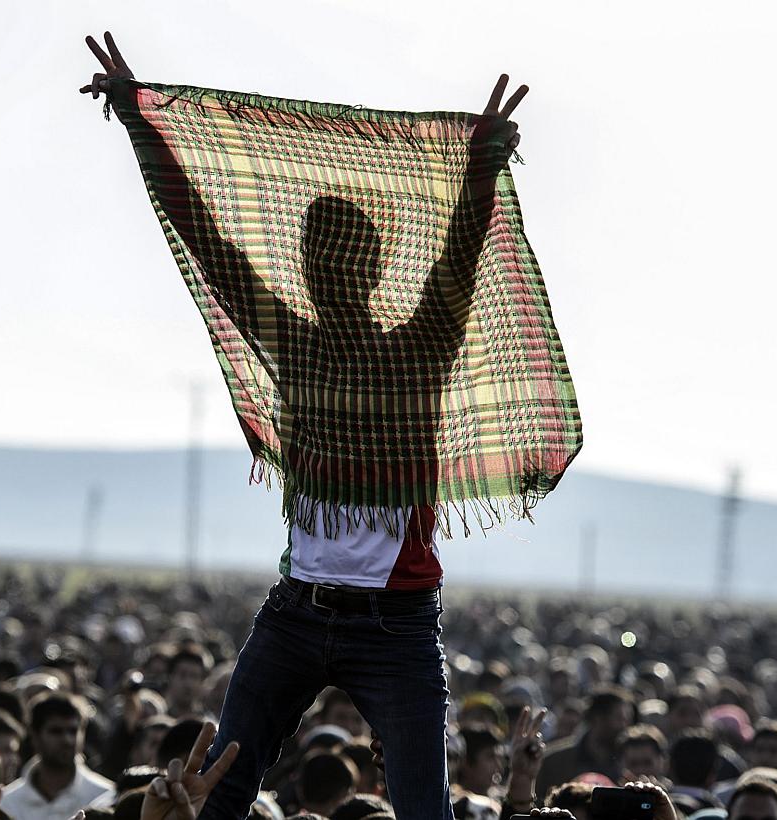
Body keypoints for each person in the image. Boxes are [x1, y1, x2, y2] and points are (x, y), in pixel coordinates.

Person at [80, 30, 530, 820]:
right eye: (315, 256)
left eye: (340, 256)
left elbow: (459, 262)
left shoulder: (419, 351)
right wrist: (139, 120)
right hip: (295, 611)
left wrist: (483, 165)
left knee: (426, 809)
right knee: (217, 796)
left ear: (370, 267)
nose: (325, 270)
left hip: (396, 626)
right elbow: (208, 243)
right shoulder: (294, 345)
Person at [0, 693, 113, 819]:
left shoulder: (105, 797)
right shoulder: (6, 804)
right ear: (35, 736)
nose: (67, 740)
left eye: (73, 731)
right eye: (56, 731)